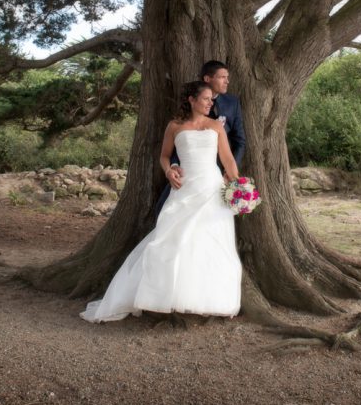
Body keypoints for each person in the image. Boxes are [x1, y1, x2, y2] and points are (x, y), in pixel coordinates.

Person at [80, 81, 242, 322]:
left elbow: (227, 160)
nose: (210, 103)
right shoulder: (175, 126)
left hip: (211, 188)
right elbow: (165, 156)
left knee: (213, 241)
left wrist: (239, 187)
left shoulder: (216, 127)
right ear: (192, 100)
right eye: (206, 98)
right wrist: (169, 170)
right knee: (172, 240)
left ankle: (208, 298)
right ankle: (165, 296)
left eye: (211, 100)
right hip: (185, 188)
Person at [155, 60, 245, 217]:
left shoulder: (230, 106)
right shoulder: (175, 125)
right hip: (185, 173)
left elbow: (238, 143)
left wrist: (233, 178)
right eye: (222, 77)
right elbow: (176, 147)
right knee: (164, 212)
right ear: (208, 79)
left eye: (227, 77)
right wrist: (171, 167)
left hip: (214, 176)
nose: (227, 81)